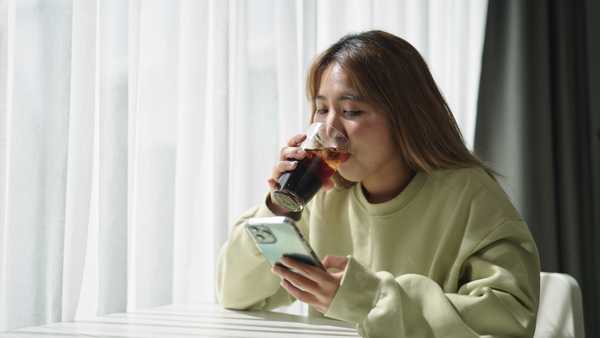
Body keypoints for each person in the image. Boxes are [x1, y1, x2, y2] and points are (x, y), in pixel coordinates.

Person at [216, 30, 540, 337]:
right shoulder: (322, 193)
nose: (330, 130)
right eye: (321, 109)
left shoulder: (469, 195)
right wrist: (276, 208)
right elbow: (234, 293)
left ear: (407, 117)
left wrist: (370, 298)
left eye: (351, 111)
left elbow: (509, 320)